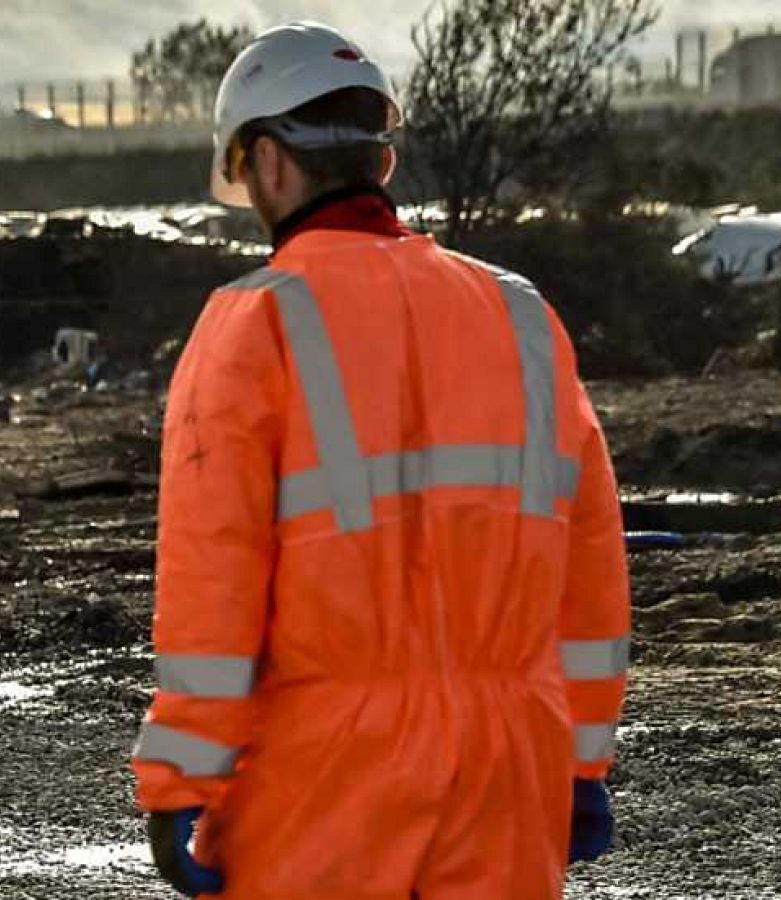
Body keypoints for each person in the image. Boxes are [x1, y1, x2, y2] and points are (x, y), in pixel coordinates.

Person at [131, 22, 631, 899]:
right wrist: (581, 755)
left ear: (269, 164)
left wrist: (183, 777)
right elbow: (591, 560)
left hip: (326, 770)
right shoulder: (520, 315)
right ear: (382, 163)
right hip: (508, 765)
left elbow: (215, 581)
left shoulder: (251, 325)